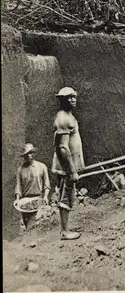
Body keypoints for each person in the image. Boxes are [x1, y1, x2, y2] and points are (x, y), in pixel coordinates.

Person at [52, 86, 85, 240]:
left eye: (74, 96)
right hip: (65, 166)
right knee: (66, 195)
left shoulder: (69, 115)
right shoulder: (63, 119)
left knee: (68, 193)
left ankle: (66, 228)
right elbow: (63, 148)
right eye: (69, 97)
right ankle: (65, 232)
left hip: (69, 164)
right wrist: (71, 171)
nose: (73, 99)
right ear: (62, 100)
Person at [15, 143, 50, 230]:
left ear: (34, 153)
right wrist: (17, 198)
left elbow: (47, 184)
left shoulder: (42, 166)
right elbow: (18, 186)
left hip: (38, 198)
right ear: (24, 156)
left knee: (38, 223)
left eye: (31, 153)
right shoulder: (20, 170)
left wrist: (45, 196)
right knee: (27, 225)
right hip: (25, 201)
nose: (29, 156)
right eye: (27, 154)